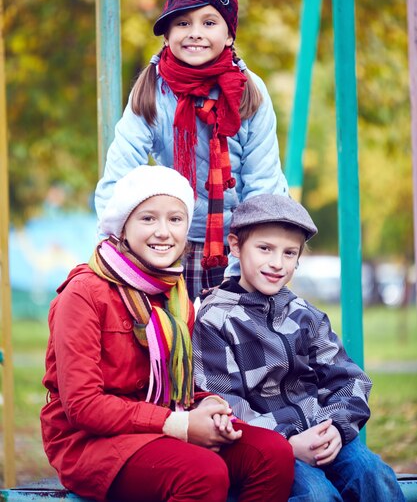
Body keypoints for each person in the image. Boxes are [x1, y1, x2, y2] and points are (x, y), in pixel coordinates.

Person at [40, 165, 294, 502]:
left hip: (160, 424)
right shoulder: (84, 293)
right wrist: (180, 425)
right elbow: (83, 406)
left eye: (175, 220)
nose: (163, 232)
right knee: (203, 474)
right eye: (148, 219)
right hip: (90, 442)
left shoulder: (174, 297)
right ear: (123, 228)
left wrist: (210, 409)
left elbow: (179, 390)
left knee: (271, 453)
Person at [193, 194, 406, 502]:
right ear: (236, 246)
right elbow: (224, 405)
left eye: (289, 253)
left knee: (373, 475)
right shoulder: (215, 319)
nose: (277, 263)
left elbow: (349, 380)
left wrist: (337, 428)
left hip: (325, 431)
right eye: (265, 249)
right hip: (273, 446)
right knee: (316, 494)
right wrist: (288, 443)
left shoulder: (304, 314)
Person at [94, 0, 288, 300]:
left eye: (209, 22)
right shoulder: (153, 91)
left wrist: (253, 260)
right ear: (167, 34)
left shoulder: (248, 91)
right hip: (171, 241)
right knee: (172, 339)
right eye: (183, 23)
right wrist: (110, 248)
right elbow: (119, 176)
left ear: (229, 35)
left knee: (235, 338)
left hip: (236, 240)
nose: (195, 32)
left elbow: (263, 182)